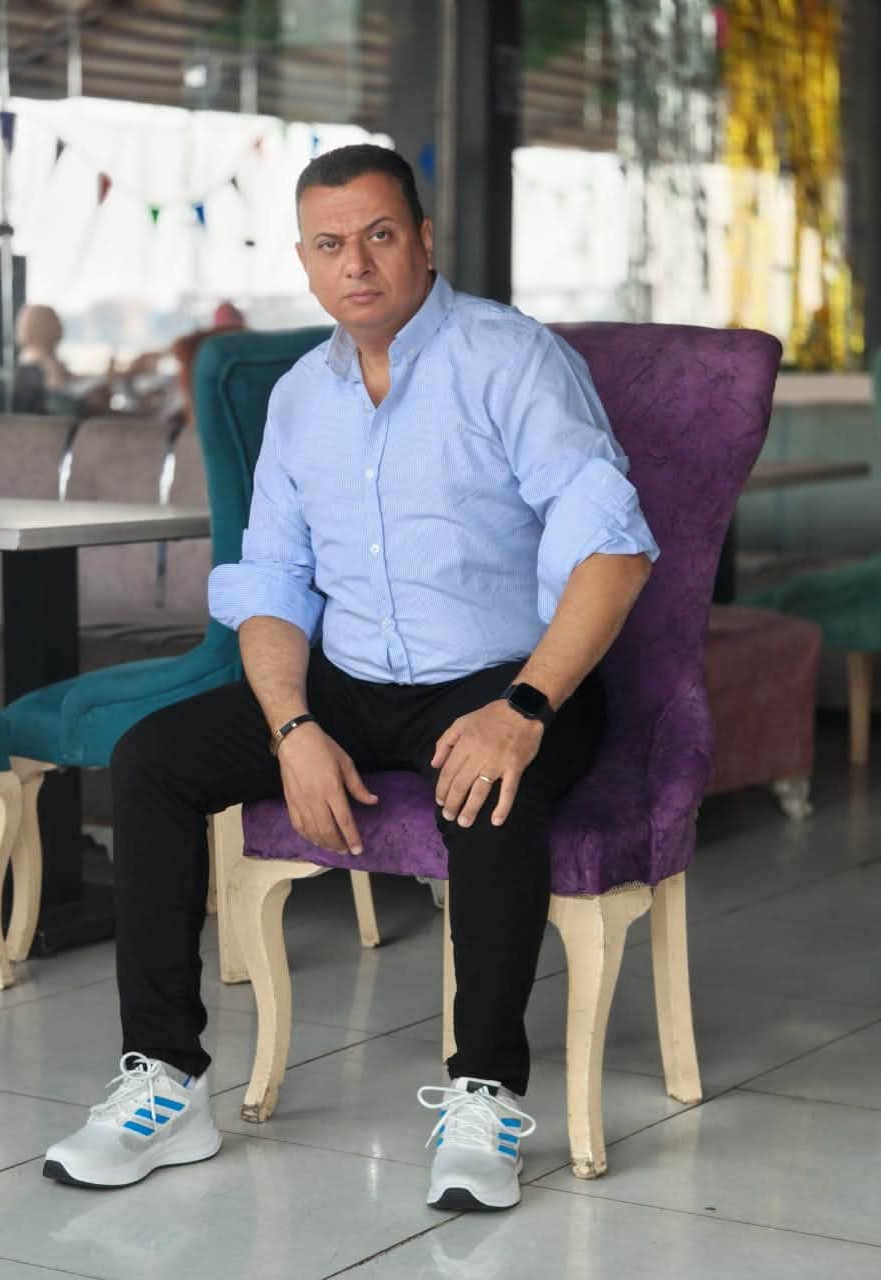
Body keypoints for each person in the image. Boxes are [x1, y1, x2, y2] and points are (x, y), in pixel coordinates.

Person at [43, 144, 658, 1212]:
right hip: (352, 677)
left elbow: (614, 547)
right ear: (306, 261)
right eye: (330, 244)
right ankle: (168, 1082)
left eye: (378, 235)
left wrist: (522, 709)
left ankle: (485, 1096)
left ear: (423, 239)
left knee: (488, 789)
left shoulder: (512, 358)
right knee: (152, 759)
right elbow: (274, 582)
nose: (357, 263)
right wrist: (291, 726)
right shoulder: (299, 398)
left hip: (509, 675)